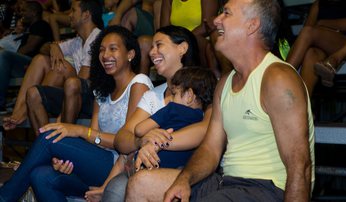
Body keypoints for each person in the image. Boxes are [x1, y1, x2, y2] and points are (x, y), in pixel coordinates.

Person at [125, 0, 315, 201]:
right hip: (227, 182)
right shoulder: (225, 83)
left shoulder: (278, 78)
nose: (216, 21)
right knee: (140, 184)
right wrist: (184, 179)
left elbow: (300, 167)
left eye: (226, 13)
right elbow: (210, 150)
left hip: (267, 189)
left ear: (252, 25)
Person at [0, 25, 153, 201]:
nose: (105, 55)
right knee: (40, 175)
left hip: (119, 166)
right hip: (97, 163)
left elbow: (127, 142)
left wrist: (80, 131)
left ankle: (5, 197)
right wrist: (71, 159)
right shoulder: (102, 91)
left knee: (49, 136)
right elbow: (93, 141)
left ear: (130, 54)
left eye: (113, 49)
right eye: (102, 50)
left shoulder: (139, 83)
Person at [91, 25, 210, 202]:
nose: (152, 52)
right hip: (147, 163)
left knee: (119, 189)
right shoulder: (152, 94)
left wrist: (156, 143)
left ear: (182, 48)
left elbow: (206, 130)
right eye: (151, 47)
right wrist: (142, 141)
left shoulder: (204, 87)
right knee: (115, 189)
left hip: (189, 167)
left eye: (159, 45)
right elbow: (123, 137)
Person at [2, 0, 103, 131]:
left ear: (86, 15)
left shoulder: (96, 37)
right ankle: (20, 111)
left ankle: (34, 105)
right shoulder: (78, 41)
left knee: (60, 67)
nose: (69, 15)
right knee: (39, 60)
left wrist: (62, 115)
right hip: (74, 90)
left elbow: (81, 82)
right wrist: (54, 46)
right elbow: (43, 49)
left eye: (73, 11)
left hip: (93, 99)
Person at [286, 0, 346, 94]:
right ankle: (304, 101)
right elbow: (307, 28)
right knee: (311, 53)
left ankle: (282, 72)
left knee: (307, 32)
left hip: (344, 44)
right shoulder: (318, 4)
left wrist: (322, 23)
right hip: (321, 44)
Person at [0, 0, 53, 114]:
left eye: (25, 11)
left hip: (35, 65)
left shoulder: (41, 25)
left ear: (33, 12)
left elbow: (30, 47)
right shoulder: (30, 28)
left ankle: (0, 103)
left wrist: (12, 58)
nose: (22, 13)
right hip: (25, 64)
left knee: (4, 55)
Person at [160, 0, 221, 78]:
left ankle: (212, 79)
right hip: (176, 40)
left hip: (200, 38)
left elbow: (207, 25)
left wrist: (185, 38)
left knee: (195, 40)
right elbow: (164, 30)